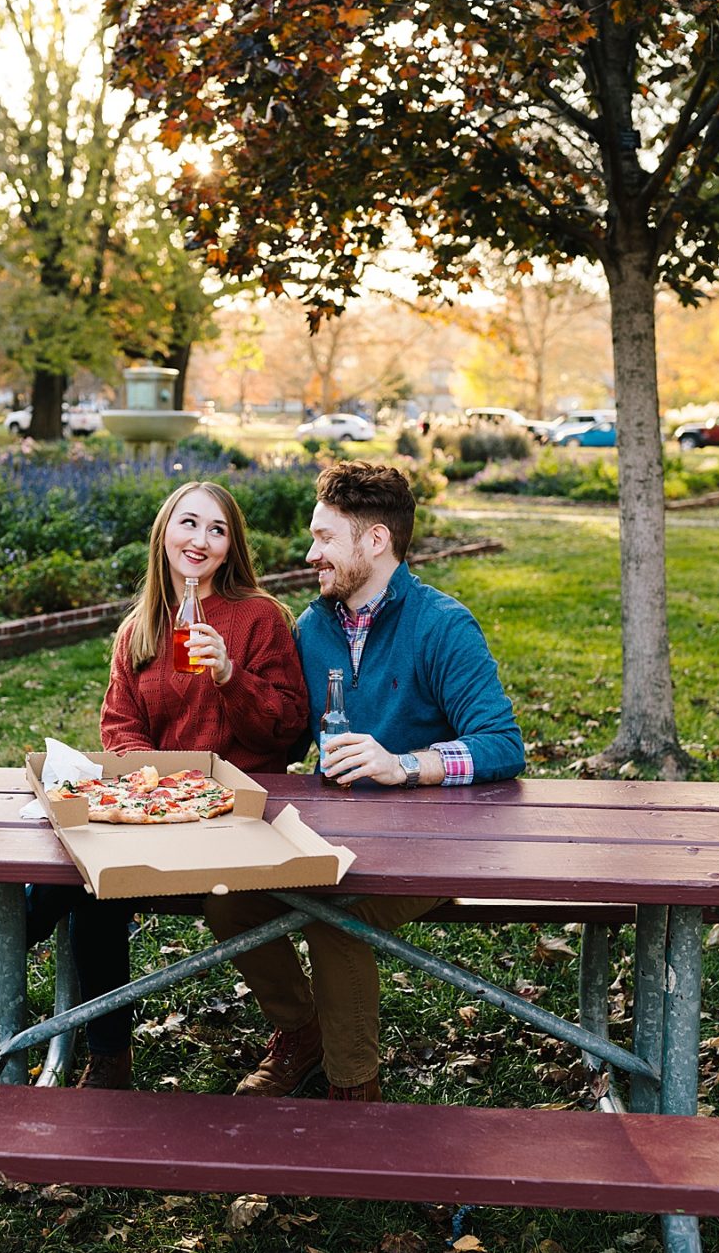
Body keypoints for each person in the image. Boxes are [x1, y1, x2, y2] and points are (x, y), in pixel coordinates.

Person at [0, 481, 309, 1089]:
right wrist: (144, 784)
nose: (200, 540)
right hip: (158, 813)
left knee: (87, 882)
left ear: (232, 548)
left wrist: (230, 674)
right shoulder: (140, 629)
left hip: (233, 819)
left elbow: (286, 729)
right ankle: (108, 1059)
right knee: (90, 882)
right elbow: (120, 726)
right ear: (164, 533)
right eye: (189, 524)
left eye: (217, 529)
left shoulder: (259, 617)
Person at [205, 460, 525, 1103]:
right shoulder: (312, 627)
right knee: (227, 899)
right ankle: (302, 1033)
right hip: (334, 840)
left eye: (325, 538)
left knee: (334, 917)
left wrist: (405, 766)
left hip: (429, 848)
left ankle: (356, 1095)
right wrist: (222, 705)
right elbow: (286, 737)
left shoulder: (442, 624)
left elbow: (502, 744)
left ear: (374, 541)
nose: (311, 552)